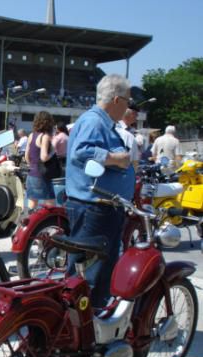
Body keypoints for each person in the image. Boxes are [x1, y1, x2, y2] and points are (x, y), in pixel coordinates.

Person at [65, 74, 134, 308]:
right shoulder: (95, 121)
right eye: (127, 101)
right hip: (94, 207)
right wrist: (115, 158)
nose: (128, 107)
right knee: (88, 272)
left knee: (97, 269)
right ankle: (81, 324)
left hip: (100, 207)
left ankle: (91, 320)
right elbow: (81, 152)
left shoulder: (100, 122)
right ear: (116, 100)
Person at [24, 111, 56, 209]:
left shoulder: (31, 135)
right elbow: (44, 157)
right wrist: (53, 152)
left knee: (32, 205)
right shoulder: (45, 137)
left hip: (31, 174)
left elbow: (26, 157)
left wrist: (33, 165)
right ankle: (49, 223)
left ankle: (29, 223)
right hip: (41, 176)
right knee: (50, 204)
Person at [116, 104, 141, 170]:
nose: (137, 117)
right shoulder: (118, 129)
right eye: (136, 114)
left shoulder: (130, 131)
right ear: (130, 114)